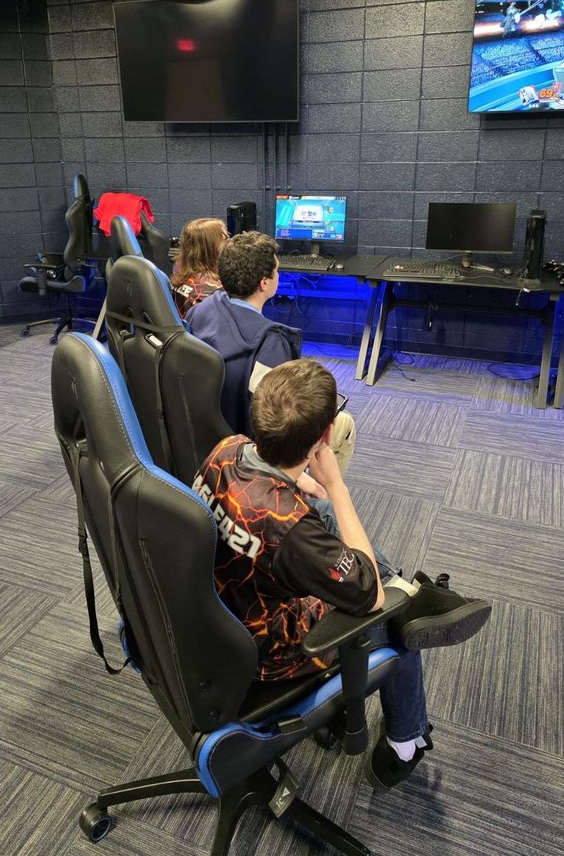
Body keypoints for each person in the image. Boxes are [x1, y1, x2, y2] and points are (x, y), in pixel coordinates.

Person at [193, 359, 492, 788]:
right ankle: (408, 740)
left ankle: (410, 585)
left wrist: (307, 490)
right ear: (325, 436)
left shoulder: (226, 448)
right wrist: (336, 485)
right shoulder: (292, 530)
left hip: (220, 603)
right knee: (393, 615)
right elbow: (367, 593)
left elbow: (264, 509)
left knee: (325, 514)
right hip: (267, 650)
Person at [187, 230, 355, 475]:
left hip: (208, 437)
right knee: (345, 424)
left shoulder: (202, 308)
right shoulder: (269, 346)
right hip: (248, 456)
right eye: (276, 270)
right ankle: (316, 501)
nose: (278, 275)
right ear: (264, 283)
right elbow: (277, 425)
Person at [171, 217, 228, 318]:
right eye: (225, 238)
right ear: (210, 247)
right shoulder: (213, 291)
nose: (229, 243)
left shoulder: (179, 269)